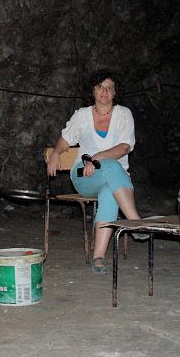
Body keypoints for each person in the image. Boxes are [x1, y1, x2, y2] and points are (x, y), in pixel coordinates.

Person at [46, 70, 144, 274]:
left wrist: (97, 157)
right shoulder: (82, 115)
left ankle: (98, 256)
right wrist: (56, 152)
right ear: (92, 91)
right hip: (85, 175)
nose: (104, 92)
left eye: (109, 87)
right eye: (100, 87)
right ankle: (135, 222)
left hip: (114, 177)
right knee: (111, 166)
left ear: (115, 92)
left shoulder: (124, 114)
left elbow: (125, 147)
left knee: (110, 189)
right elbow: (65, 140)